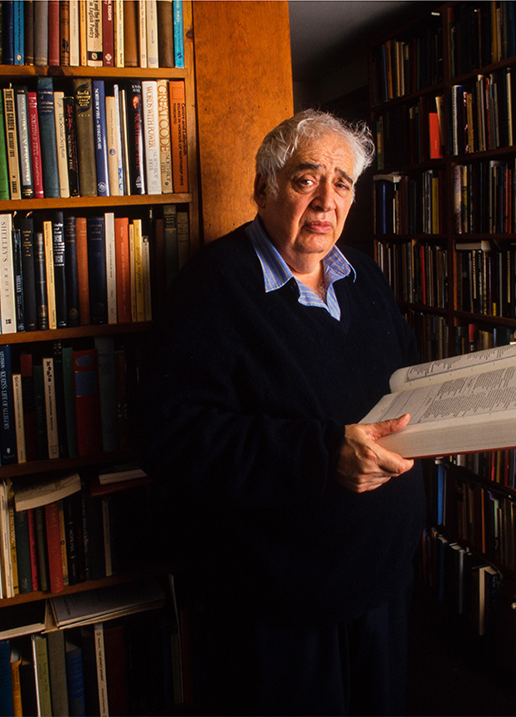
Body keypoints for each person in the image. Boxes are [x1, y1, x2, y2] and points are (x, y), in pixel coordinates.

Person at [133, 109, 425, 716]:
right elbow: (169, 435)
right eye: (305, 179)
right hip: (283, 605)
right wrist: (322, 457)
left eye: (341, 183)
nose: (326, 201)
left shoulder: (364, 277)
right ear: (264, 188)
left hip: (381, 585)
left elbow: (407, 381)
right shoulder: (212, 286)